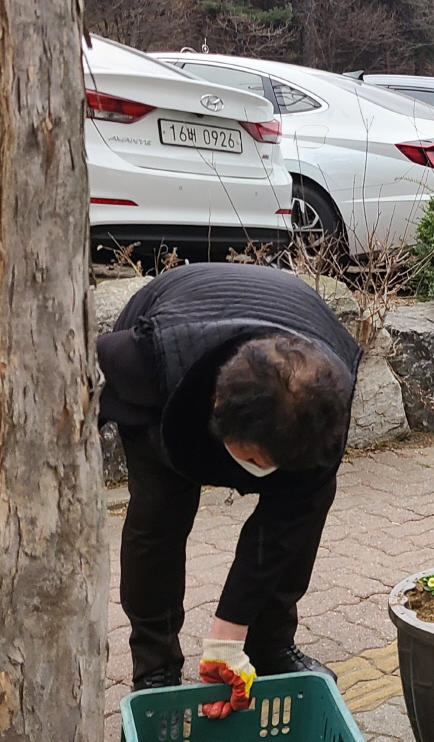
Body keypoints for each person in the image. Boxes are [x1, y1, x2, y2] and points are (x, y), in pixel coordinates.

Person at [97, 263, 362, 717]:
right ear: (219, 412)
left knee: (298, 518)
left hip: (292, 326)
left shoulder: (324, 406)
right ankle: (154, 664)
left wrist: (227, 637)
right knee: (158, 518)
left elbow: (279, 531)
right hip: (173, 367)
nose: (263, 473)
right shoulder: (148, 360)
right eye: (257, 460)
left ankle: (272, 644)